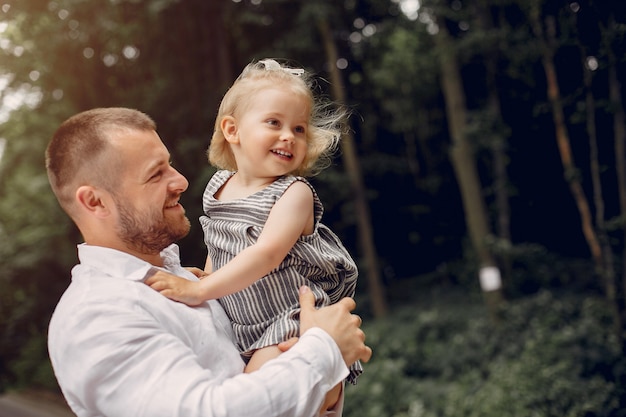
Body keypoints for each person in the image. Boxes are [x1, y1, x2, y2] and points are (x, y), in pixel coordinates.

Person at [45, 107, 372, 417]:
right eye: (156, 174)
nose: (181, 181)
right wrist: (324, 351)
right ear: (95, 201)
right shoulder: (95, 315)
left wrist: (322, 371)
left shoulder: (186, 278)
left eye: (169, 164)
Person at [145, 59, 361, 413]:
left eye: (300, 128)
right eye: (274, 123)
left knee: (259, 397)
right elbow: (218, 239)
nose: (288, 136)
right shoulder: (217, 186)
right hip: (240, 323)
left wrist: (200, 290)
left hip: (288, 320)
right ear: (232, 130)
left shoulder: (294, 194)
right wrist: (210, 274)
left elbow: (266, 254)